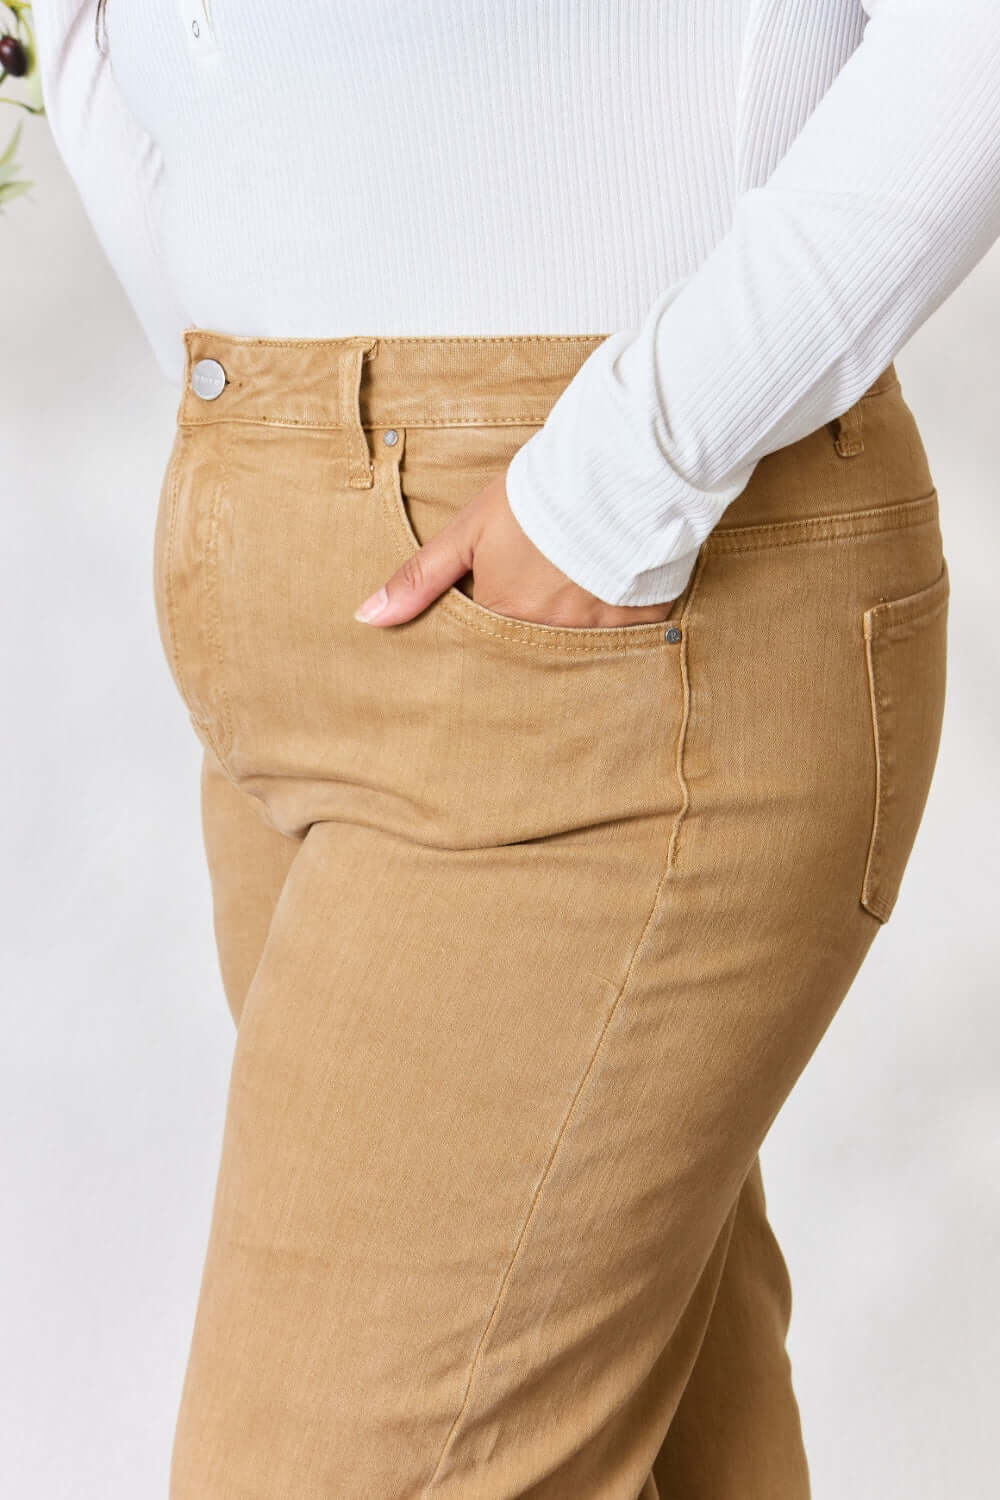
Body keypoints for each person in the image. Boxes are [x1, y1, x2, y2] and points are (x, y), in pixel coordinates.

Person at [31, 3, 997, 1496]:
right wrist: (265, 433)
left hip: (611, 609)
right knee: (678, 1450)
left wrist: (626, 472)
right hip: (307, 585)